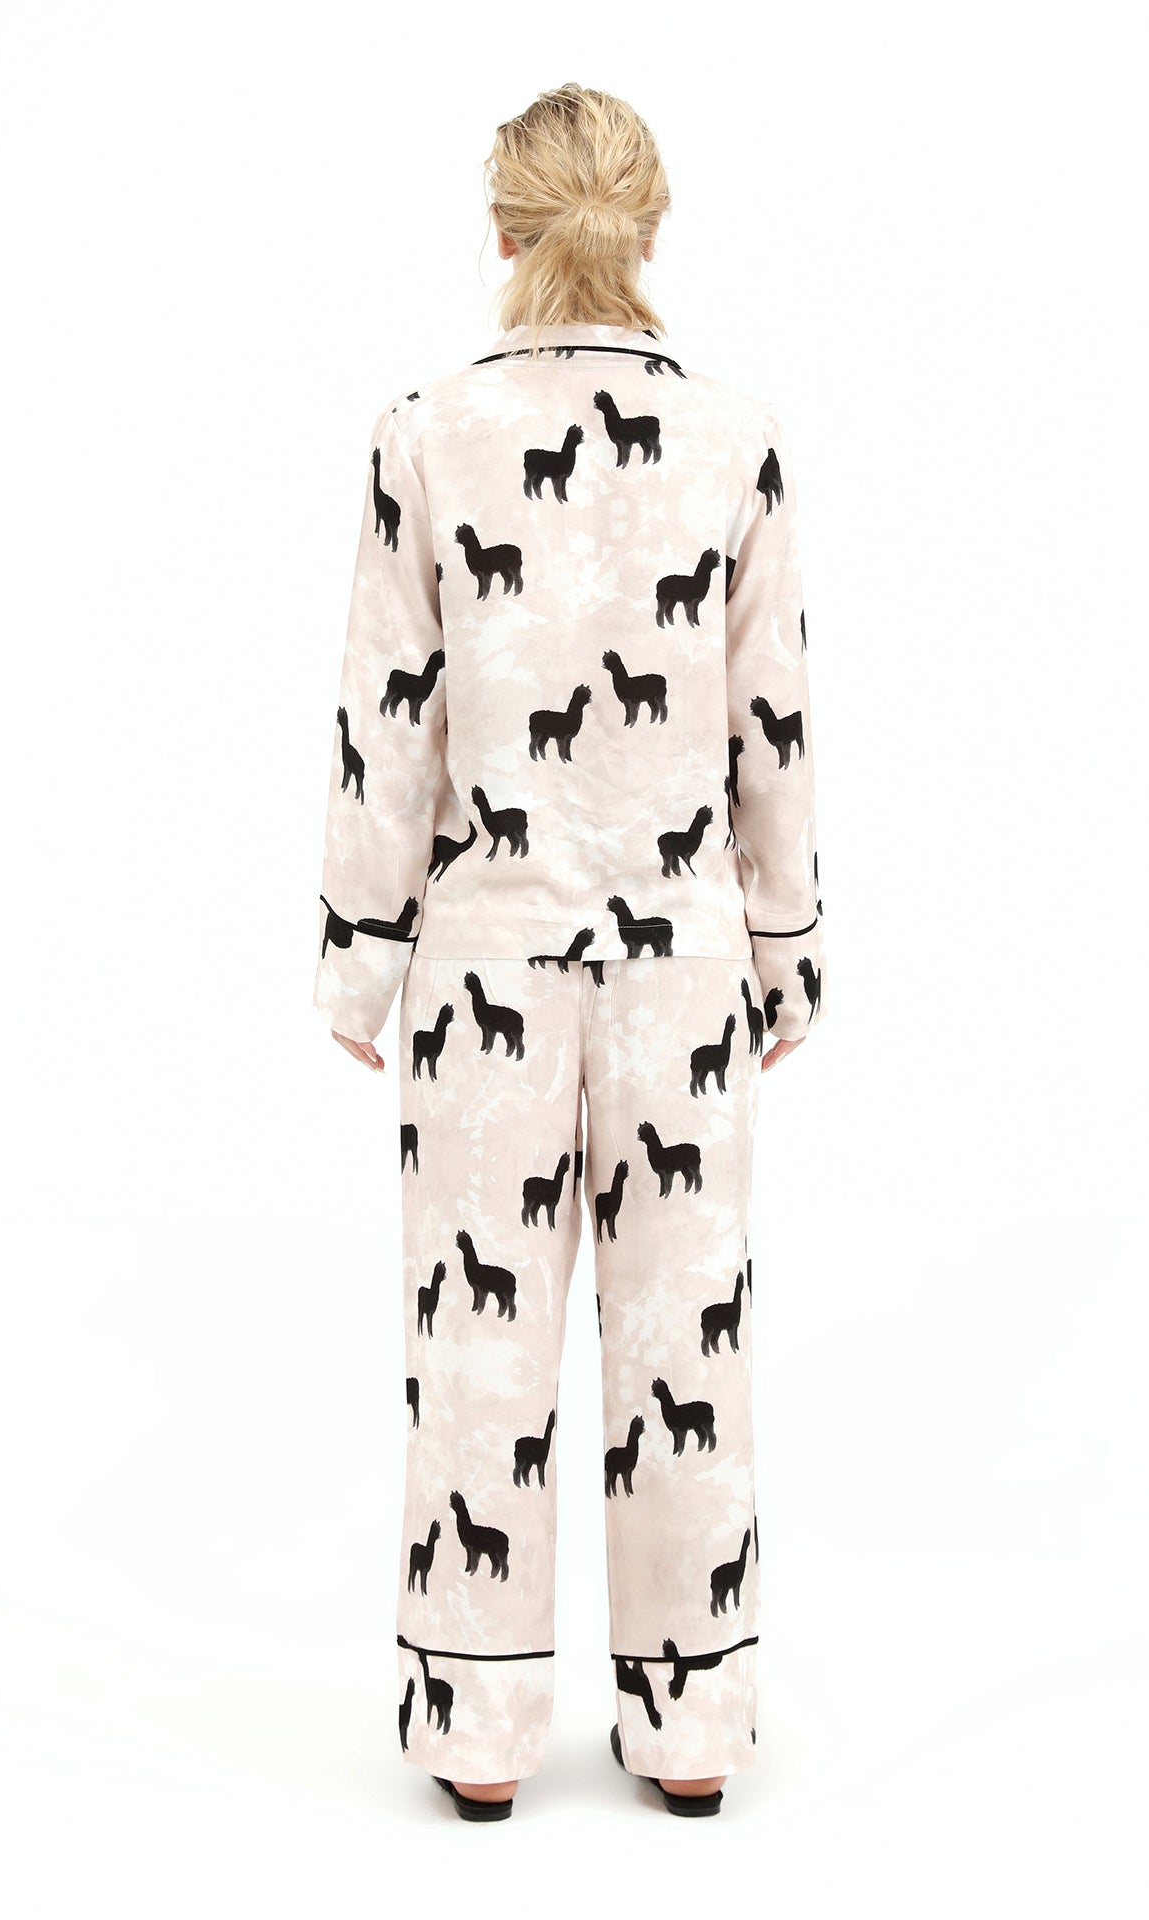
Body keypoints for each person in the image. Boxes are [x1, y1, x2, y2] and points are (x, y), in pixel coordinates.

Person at [313, 82, 826, 1821]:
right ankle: (692, 1729)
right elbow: (771, 719)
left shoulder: (424, 435)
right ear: (652, 230)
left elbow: (388, 723)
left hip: (487, 965)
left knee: (479, 1348)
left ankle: (474, 1735)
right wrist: (787, 949)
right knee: (687, 1336)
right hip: (685, 969)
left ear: (502, 231)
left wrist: (361, 959)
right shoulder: (738, 440)